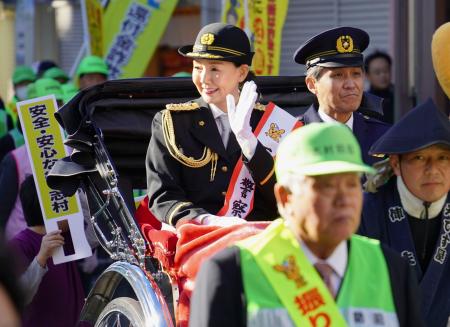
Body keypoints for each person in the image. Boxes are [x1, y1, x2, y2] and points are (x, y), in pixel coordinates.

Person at [190, 123, 425, 327]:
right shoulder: (232, 272)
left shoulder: (390, 268)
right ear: (285, 197)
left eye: (351, 184)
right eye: (326, 186)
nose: (344, 199)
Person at [146, 22, 278, 227]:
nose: (205, 79)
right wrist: (205, 220)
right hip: (197, 237)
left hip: (258, 239)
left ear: (242, 73)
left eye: (215, 69)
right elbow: (163, 194)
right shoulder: (172, 122)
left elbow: (287, 194)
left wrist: (249, 143)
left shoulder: (272, 123)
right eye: (197, 68)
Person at [359, 98, 450, 326]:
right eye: (419, 158)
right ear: (396, 164)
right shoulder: (366, 211)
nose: (433, 170)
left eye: (443, 158)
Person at [294, 26, 390, 165]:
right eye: (338, 75)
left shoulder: (383, 137)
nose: (350, 84)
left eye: (356, 74)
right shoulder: (293, 137)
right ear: (312, 84)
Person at [8, 176, 84, 327]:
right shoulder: (19, 245)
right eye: (65, 203)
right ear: (51, 209)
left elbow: (94, 234)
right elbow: (18, 297)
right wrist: (41, 258)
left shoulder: (67, 235)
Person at [0, 78, 64, 239]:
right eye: (52, 103)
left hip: (60, 243)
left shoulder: (74, 151)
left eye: (59, 103)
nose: (56, 110)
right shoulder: (15, 158)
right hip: (24, 246)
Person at [365, 50, 394, 124]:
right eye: (377, 72)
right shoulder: (364, 102)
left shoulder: (400, 98)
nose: (383, 75)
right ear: (367, 76)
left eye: (385, 71)